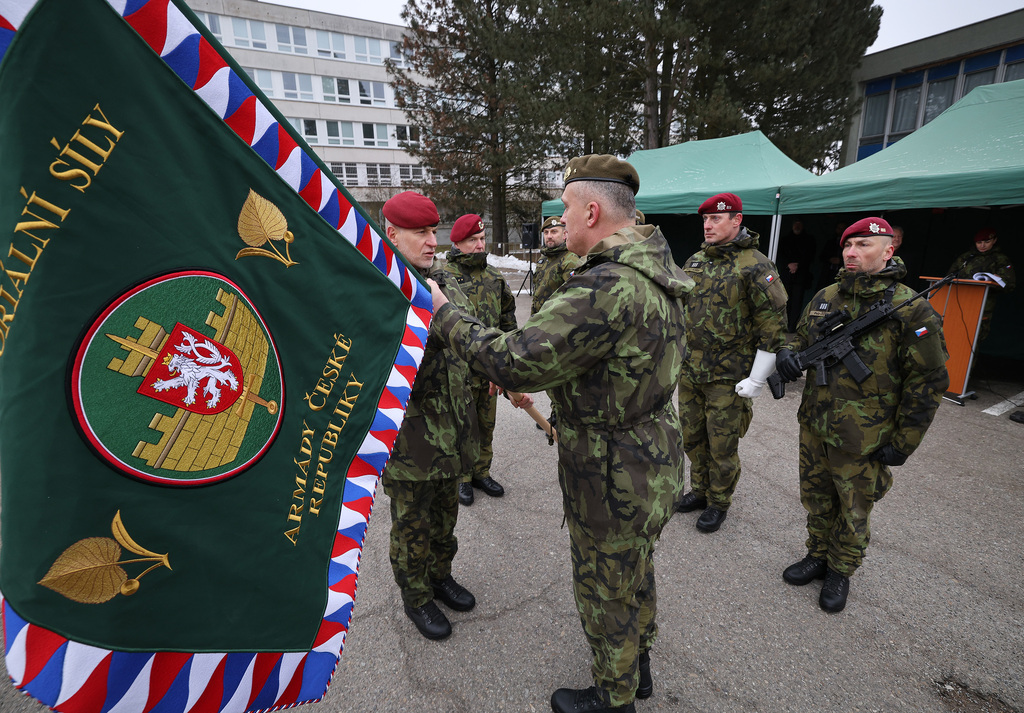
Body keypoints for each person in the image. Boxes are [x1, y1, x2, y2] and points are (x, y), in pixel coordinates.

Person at [428, 155, 691, 713]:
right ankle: (638, 664)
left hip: (612, 467)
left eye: (566, 210)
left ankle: (614, 696)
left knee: (605, 585)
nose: (562, 222)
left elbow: (515, 361)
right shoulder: (656, 267)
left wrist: (444, 312)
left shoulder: (605, 286)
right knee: (635, 568)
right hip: (654, 452)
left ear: (592, 210)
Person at [775, 217, 948, 613]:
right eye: (849, 245)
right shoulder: (826, 296)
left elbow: (928, 382)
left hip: (866, 435)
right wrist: (788, 354)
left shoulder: (912, 309)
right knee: (816, 497)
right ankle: (817, 554)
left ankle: (841, 569)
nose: (852, 253)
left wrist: (905, 442)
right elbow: (802, 338)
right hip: (816, 423)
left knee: (854, 507)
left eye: (864, 246)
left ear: (889, 251)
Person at [378, 192, 480, 641]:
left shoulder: (444, 281)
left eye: (434, 230)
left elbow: (469, 337)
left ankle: (440, 575)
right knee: (411, 524)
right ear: (391, 233)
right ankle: (416, 596)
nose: (431, 240)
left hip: (452, 432)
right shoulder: (378, 290)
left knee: (444, 516)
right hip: (409, 441)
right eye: (420, 232)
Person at [676, 192, 788, 533]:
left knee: (722, 443)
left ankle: (719, 501)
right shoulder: (695, 261)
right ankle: (699, 490)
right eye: (705, 220)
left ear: (736, 220)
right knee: (693, 437)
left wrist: (756, 379)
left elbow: (773, 325)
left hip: (728, 375)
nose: (708, 226)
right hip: (691, 371)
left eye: (716, 219)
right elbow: (679, 312)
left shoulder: (756, 264)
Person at [444, 213, 518, 505]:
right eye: (472, 240)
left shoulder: (494, 278)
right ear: (458, 243)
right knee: (463, 425)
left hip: (488, 370)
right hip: (456, 370)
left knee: (486, 424)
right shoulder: (444, 276)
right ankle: (462, 478)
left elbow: (508, 321)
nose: (479, 245)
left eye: (482, 239)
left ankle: (481, 472)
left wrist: (509, 362)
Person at [946, 227, 1016, 340]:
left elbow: (1010, 284)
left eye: (987, 242)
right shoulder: (966, 257)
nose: (982, 245)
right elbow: (949, 277)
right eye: (979, 242)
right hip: (959, 302)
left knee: (973, 338)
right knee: (952, 335)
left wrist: (996, 280)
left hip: (983, 306)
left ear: (994, 240)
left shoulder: (1000, 259)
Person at [531, 216, 581, 315]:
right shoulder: (543, 259)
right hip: (539, 319)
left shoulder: (570, 260)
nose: (549, 236)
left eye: (554, 232)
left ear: (564, 235)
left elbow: (575, 299)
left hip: (557, 321)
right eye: (546, 232)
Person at [777, 219, 816, 332]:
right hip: (786, 276)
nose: (797, 226)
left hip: (801, 277)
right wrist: (788, 264)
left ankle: (792, 327)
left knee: (797, 303)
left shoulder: (809, 240)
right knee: (784, 301)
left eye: (800, 224)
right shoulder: (785, 239)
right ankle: (783, 325)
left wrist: (797, 265)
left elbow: (810, 255)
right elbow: (780, 254)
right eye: (795, 224)